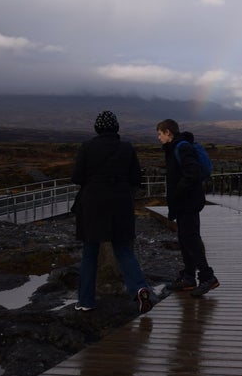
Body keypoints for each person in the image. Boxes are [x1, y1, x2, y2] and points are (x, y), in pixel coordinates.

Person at [71, 110, 153, 313]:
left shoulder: (87, 147)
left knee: (90, 252)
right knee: (123, 249)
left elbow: (76, 177)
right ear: (116, 127)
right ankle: (139, 288)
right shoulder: (127, 148)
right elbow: (136, 179)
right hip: (121, 203)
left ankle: (86, 301)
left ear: (97, 128)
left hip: (92, 205)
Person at [157, 118, 219, 297]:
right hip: (184, 202)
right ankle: (189, 277)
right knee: (184, 239)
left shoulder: (182, 147)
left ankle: (208, 277)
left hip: (188, 202)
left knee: (190, 238)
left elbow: (192, 173)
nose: (159, 138)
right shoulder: (174, 148)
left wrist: (177, 192)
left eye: (160, 134)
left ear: (168, 132)